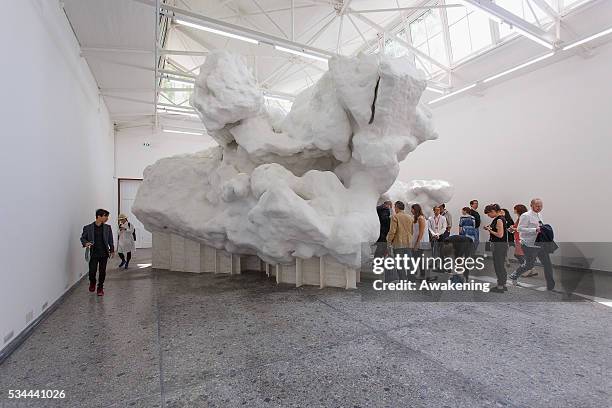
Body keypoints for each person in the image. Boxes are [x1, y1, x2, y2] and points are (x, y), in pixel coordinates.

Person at [510, 198, 555, 289]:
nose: (539, 208)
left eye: (541, 206)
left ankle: (550, 285)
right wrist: (534, 230)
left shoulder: (539, 215)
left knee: (547, 264)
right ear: (531, 205)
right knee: (529, 265)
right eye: (537, 206)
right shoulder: (525, 215)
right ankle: (515, 275)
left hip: (540, 244)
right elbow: (519, 229)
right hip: (528, 244)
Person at [80, 209, 114, 296]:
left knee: (102, 271)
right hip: (93, 253)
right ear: (99, 216)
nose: (107, 218)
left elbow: (110, 239)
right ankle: (92, 282)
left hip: (104, 253)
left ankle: (100, 288)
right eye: (105, 216)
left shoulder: (107, 228)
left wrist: (112, 250)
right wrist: (86, 243)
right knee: (92, 271)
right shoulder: (87, 228)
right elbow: (83, 238)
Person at [386, 201, 413, 281]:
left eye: (395, 207)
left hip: (398, 243)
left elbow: (392, 231)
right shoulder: (410, 217)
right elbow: (412, 230)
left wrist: (389, 242)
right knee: (409, 262)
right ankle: (411, 279)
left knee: (399, 263)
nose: (394, 209)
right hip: (408, 243)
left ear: (397, 207)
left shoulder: (395, 217)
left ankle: (403, 279)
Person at [484, 204, 507, 293]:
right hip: (501, 246)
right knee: (501, 265)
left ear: (493, 211)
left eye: (488, 214)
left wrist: (490, 230)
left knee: (498, 266)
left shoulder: (499, 220)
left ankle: (500, 286)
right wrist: (489, 228)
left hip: (499, 246)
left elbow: (500, 235)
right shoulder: (500, 218)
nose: (488, 216)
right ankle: (503, 284)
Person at [411, 203, 432, 281]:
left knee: (417, 258)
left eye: (412, 209)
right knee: (417, 258)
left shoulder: (421, 218)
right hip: (417, 240)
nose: (411, 211)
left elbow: (421, 232)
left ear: (415, 209)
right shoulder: (416, 218)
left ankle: (421, 274)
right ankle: (420, 274)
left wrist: (417, 244)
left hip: (420, 241)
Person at [508, 204, 529, 271]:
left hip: (521, 239)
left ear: (518, 210)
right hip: (518, 238)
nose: (514, 210)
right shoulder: (520, 217)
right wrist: (512, 228)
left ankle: (528, 269)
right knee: (520, 255)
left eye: (515, 209)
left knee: (519, 255)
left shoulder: (523, 218)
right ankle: (528, 269)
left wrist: (514, 228)